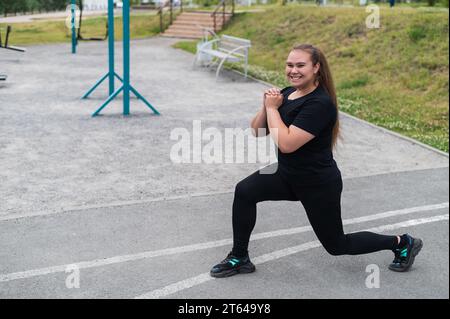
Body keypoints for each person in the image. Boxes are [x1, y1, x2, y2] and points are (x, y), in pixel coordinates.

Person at [210, 44, 423, 278]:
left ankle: (402, 242)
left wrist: (272, 109)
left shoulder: (320, 104)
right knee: (244, 191)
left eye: (300, 65)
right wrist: (266, 106)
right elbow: (258, 132)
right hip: (287, 175)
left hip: (317, 183)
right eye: (290, 65)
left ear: (316, 68)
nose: (293, 70)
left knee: (337, 246)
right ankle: (239, 257)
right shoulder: (288, 93)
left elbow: (287, 143)